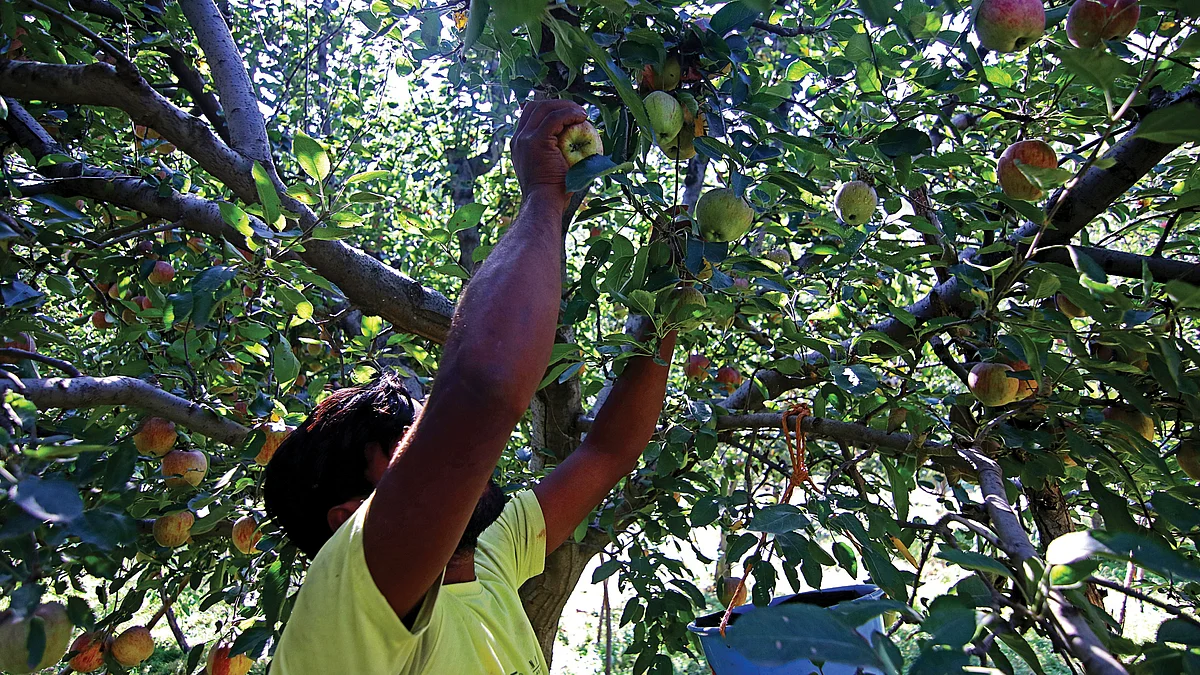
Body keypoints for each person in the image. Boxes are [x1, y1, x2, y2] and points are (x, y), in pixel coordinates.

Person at [263, 100, 678, 675]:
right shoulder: (349, 594)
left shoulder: (488, 555)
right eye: (409, 441)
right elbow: (481, 391)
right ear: (348, 519)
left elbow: (608, 451)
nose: (441, 446)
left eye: (423, 434)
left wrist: (668, 311)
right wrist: (542, 200)